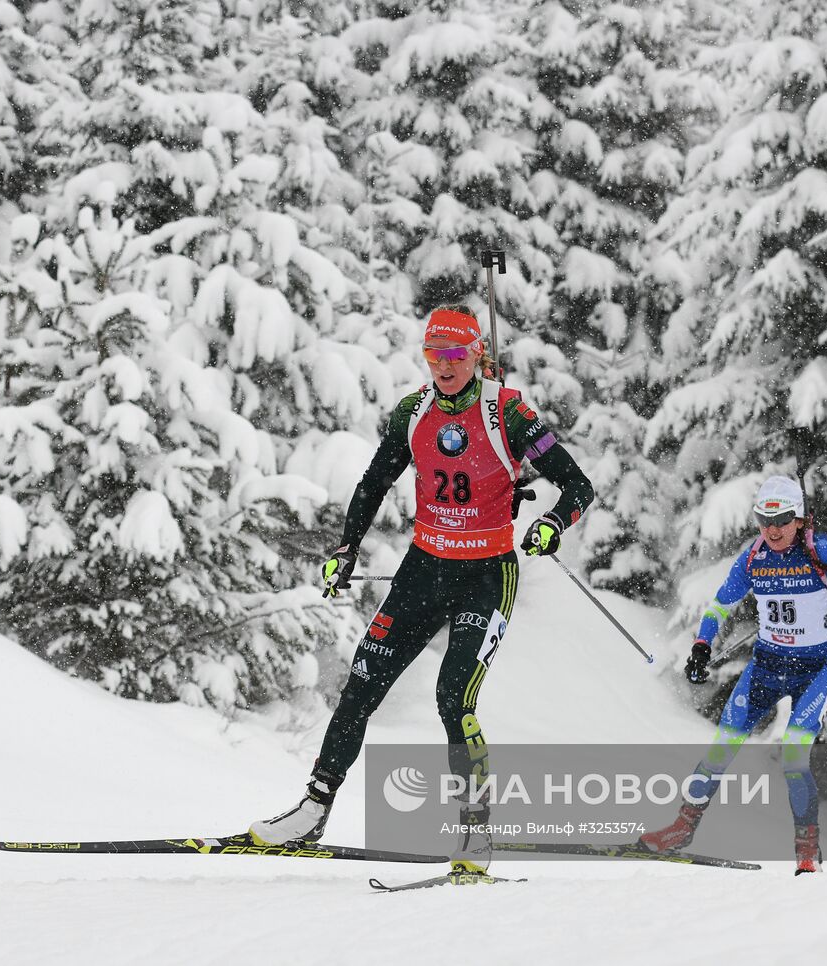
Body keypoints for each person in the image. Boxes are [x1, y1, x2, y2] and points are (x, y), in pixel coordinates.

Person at [249, 304, 595, 874]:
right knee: (360, 686)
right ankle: (312, 809)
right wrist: (345, 548)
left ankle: (475, 831)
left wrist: (553, 524)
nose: (445, 366)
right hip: (424, 569)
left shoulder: (508, 413)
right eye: (435, 355)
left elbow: (576, 484)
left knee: (452, 698)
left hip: (486, 577)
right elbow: (374, 482)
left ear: (476, 355)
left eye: (456, 355)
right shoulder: (415, 413)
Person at [637, 474, 827, 874]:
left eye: (782, 520)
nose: (772, 529)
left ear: (799, 520)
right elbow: (719, 606)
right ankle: (682, 829)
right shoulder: (754, 558)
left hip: (814, 671)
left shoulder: (821, 552)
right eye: (763, 520)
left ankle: (807, 851)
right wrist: (701, 646)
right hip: (766, 669)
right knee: (720, 750)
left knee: (793, 757)